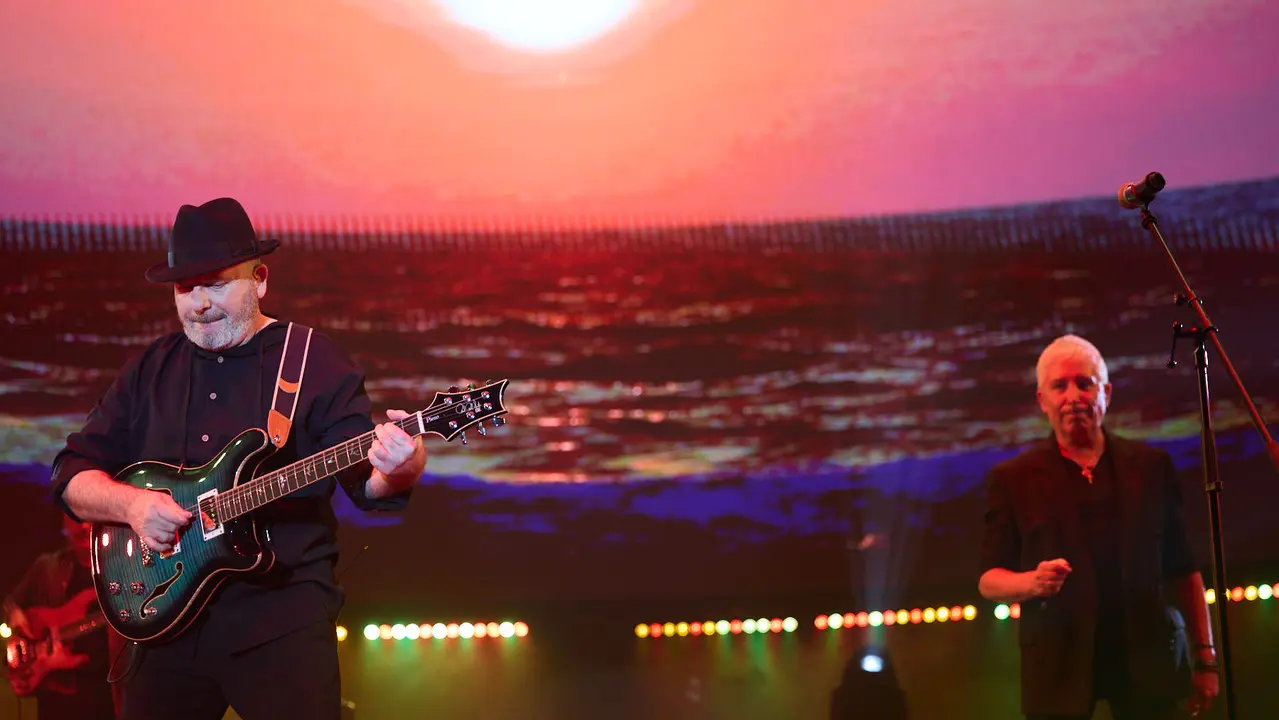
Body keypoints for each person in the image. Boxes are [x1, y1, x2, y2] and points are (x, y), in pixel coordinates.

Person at [48, 197, 427, 720]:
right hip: (164, 621)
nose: (200, 303)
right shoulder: (148, 369)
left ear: (261, 279)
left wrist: (403, 464)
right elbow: (69, 475)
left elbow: (368, 485)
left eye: (217, 283)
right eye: (186, 288)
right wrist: (132, 505)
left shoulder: (313, 361)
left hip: (282, 622)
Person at [978, 334, 1219, 719]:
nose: (1073, 395)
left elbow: (1183, 568)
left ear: (1106, 392)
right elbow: (988, 579)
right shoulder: (1013, 478)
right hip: (1059, 664)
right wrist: (1032, 583)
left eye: (1084, 383)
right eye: (1060, 385)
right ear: (1043, 400)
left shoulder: (1151, 466)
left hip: (1148, 659)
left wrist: (1206, 659)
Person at [3, 515, 120, 719]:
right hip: (55, 704)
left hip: (102, 700)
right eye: (75, 518)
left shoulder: (120, 570)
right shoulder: (47, 567)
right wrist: (16, 619)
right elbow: (9, 605)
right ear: (64, 522)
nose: (83, 526)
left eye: (89, 517)